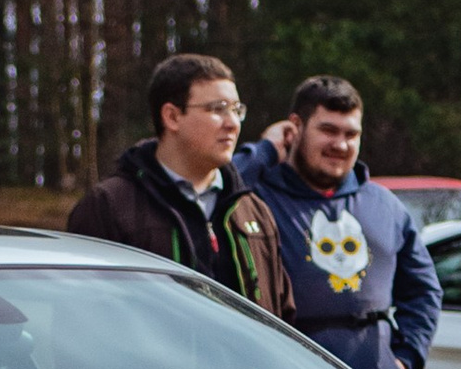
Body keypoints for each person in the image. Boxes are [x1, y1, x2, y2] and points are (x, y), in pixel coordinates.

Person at [234, 75, 441, 369]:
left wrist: (403, 362)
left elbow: (423, 291)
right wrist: (265, 150)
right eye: (328, 130)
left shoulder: (385, 206)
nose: (341, 145)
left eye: (351, 134)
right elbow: (212, 189)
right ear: (296, 127)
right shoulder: (257, 201)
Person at [64, 53, 291, 312]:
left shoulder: (252, 211)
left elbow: (282, 315)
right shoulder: (109, 206)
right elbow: (83, 316)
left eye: (237, 110)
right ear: (171, 117)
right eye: (217, 109)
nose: (232, 123)